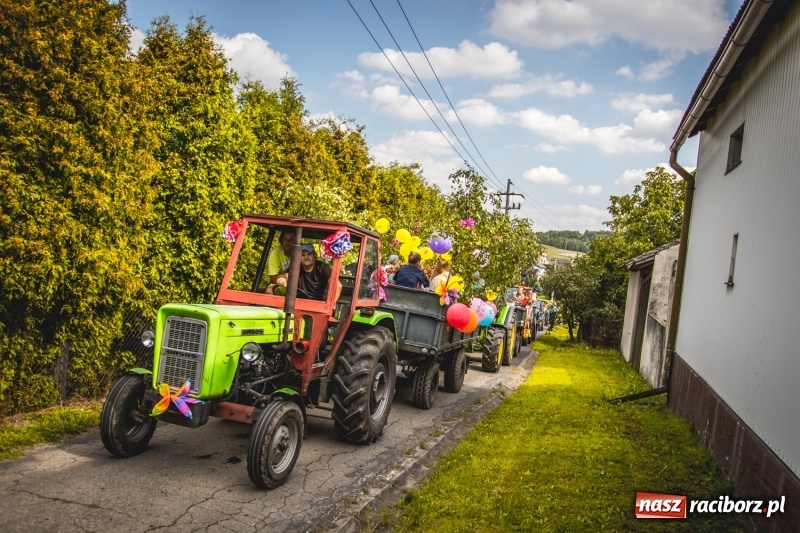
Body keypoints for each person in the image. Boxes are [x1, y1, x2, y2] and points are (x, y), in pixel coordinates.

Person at [266, 230, 295, 295]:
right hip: (282, 283)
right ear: (281, 241)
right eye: (285, 238)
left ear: (296, 242)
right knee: (270, 291)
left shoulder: (303, 253)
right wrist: (284, 276)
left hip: (300, 284)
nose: (288, 241)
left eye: (291, 239)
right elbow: (273, 279)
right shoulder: (275, 254)